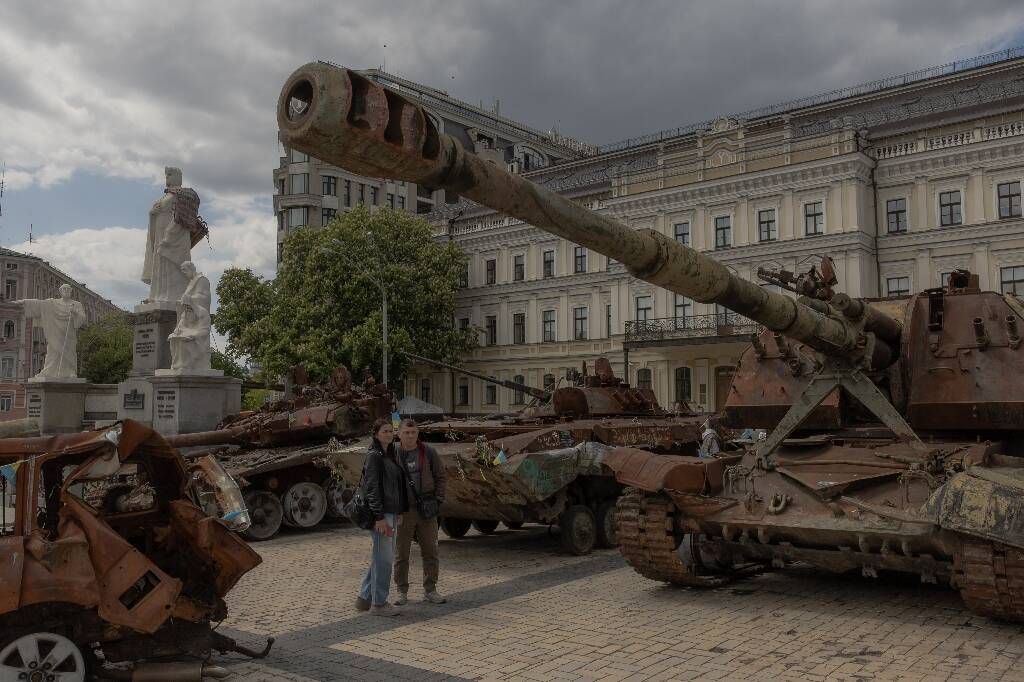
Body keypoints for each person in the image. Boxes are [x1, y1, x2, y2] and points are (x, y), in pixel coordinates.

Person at [355, 419, 408, 617]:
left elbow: (397, 486)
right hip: (381, 514)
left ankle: (364, 597)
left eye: (391, 431)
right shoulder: (374, 457)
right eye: (385, 431)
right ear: (376, 434)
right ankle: (379, 603)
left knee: (381, 557)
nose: (389, 434)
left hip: (391, 513)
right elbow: (372, 489)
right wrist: (379, 517)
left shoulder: (390, 454)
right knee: (384, 559)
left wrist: (399, 511)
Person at [393, 418, 447, 606]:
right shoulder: (393, 454)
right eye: (406, 432)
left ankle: (430, 589)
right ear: (399, 434)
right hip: (403, 511)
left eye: (413, 432)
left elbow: (441, 476)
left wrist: (438, 500)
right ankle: (401, 591)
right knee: (402, 553)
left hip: (427, 509)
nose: (410, 436)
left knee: (430, 550)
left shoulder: (428, 452)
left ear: (418, 433)